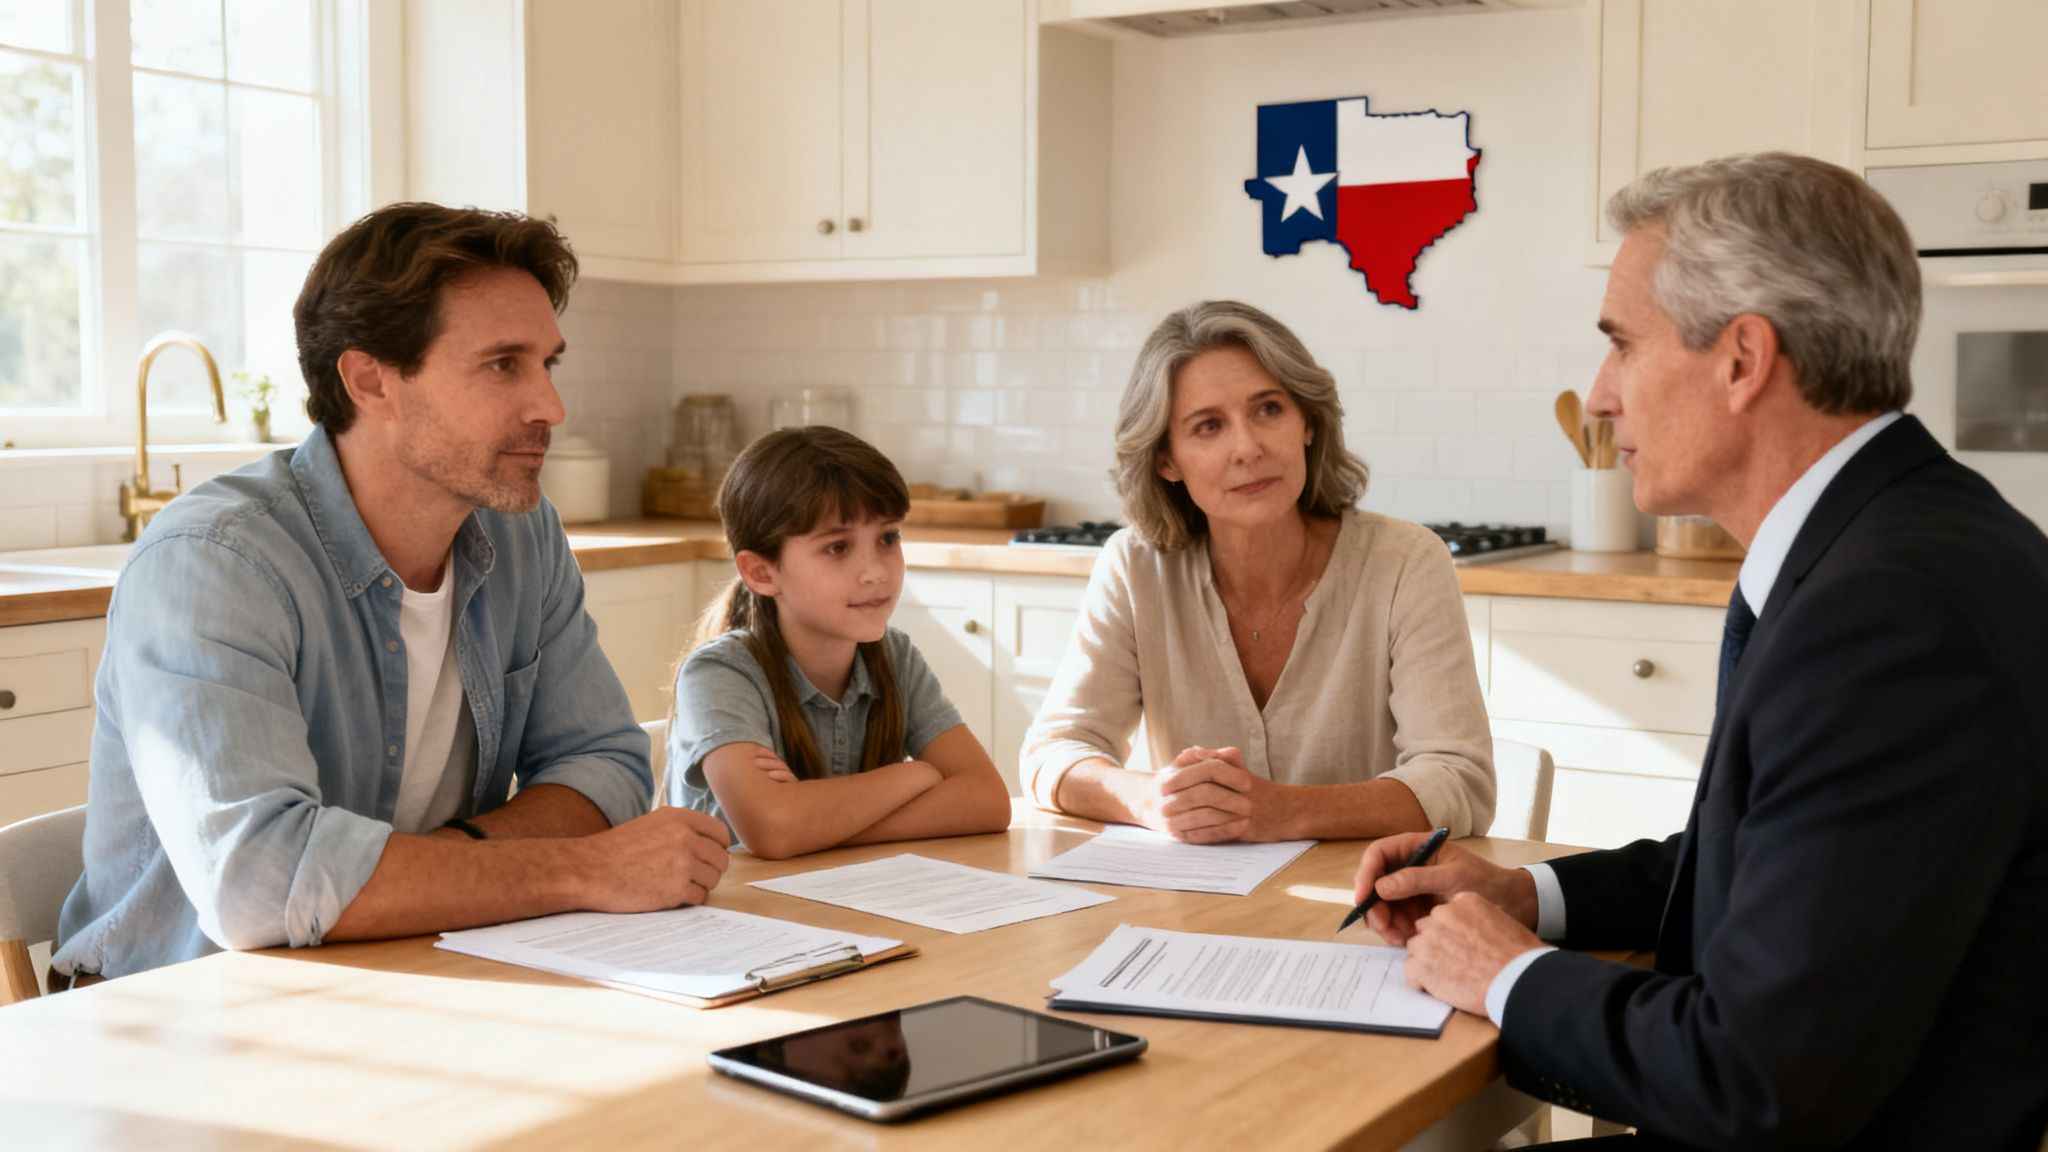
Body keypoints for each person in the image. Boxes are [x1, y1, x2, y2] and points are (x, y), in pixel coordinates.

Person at [1354, 153, 2048, 1150]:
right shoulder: (1884, 546)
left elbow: (1754, 1082)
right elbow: (1785, 863)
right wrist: (1524, 896)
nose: (1599, 396)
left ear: (1741, 361)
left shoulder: (1888, 616)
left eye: (1620, 345)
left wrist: (1500, 971)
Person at [51, 203, 732, 984]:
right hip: (173, 1018)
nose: (551, 407)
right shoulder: (212, 565)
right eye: (504, 363)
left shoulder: (521, 533)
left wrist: (426, 871)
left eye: (550, 363)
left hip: (410, 967)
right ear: (370, 379)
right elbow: (261, 884)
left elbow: (604, 765)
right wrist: (578, 869)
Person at [1021, 301, 1495, 844]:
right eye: (1208, 426)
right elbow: (1053, 753)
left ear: (1308, 424)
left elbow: (1462, 782)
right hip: (1197, 914)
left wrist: (1284, 811)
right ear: (1166, 461)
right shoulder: (1134, 567)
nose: (1247, 447)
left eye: (1268, 409)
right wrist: (1150, 799)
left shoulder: (1406, 562)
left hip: (1366, 908)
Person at [666, 426, 1011, 859]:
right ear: (762, 572)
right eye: (837, 547)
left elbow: (988, 801)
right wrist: (914, 776)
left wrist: (815, 822)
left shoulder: (895, 657)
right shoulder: (719, 674)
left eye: (888, 538)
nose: (875, 572)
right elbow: (775, 830)